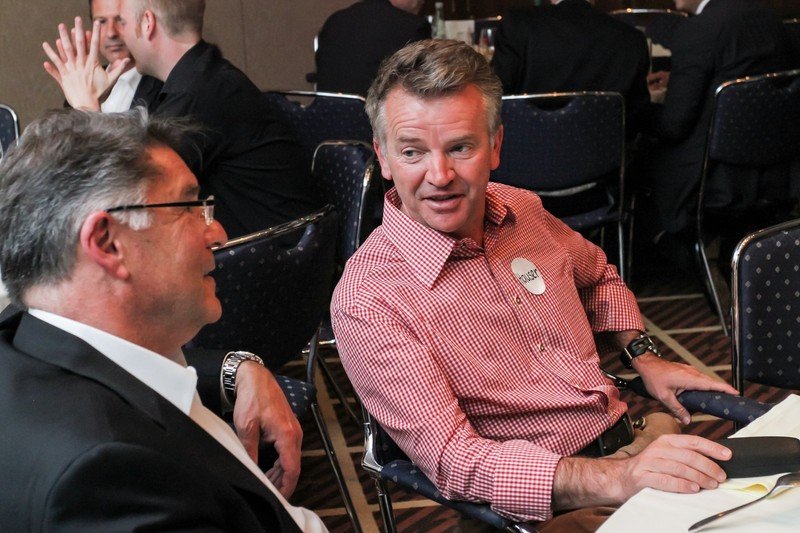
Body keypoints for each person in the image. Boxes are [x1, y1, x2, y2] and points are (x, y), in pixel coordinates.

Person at [331, 39, 738, 529]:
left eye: (460, 147)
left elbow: (598, 276)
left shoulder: (520, 210)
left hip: (633, 444)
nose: (439, 175)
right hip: (543, 508)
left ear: (495, 146)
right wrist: (618, 478)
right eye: (412, 152)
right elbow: (457, 460)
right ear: (384, 156)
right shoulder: (370, 298)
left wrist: (643, 355)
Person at [0, 108, 327, 532]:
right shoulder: (108, 479)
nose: (218, 233)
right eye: (190, 207)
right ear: (108, 243)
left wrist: (236, 369)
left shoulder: (25, 339)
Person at [43, 0, 322, 239]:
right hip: (261, 248)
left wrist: (86, 108)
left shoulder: (201, 93)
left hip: (276, 261)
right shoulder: (201, 77)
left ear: (147, 23)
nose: (119, 35)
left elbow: (124, 195)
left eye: (123, 22)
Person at [639, 0, 800, 249]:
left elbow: (673, 126)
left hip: (710, 178)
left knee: (637, 159)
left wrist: (635, 110)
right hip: (776, 173)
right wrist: (680, 77)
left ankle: (673, 254)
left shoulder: (699, 29)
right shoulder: (769, 19)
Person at [492, 0, 650, 134]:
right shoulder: (632, 39)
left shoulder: (517, 23)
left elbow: (494, 98)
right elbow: (637, 120)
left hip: (523, 154)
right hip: (603, 158)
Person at [315, 0, 431, 96]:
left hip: (326, 113)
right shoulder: (412, 26)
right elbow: (422, 84)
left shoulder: (335, 20)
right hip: (375, 113)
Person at [85, 0, 163, 111]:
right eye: (101, 22)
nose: (111, 33)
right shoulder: (84, 86)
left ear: (147, 22)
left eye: (121, 20)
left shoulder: (167, 87)